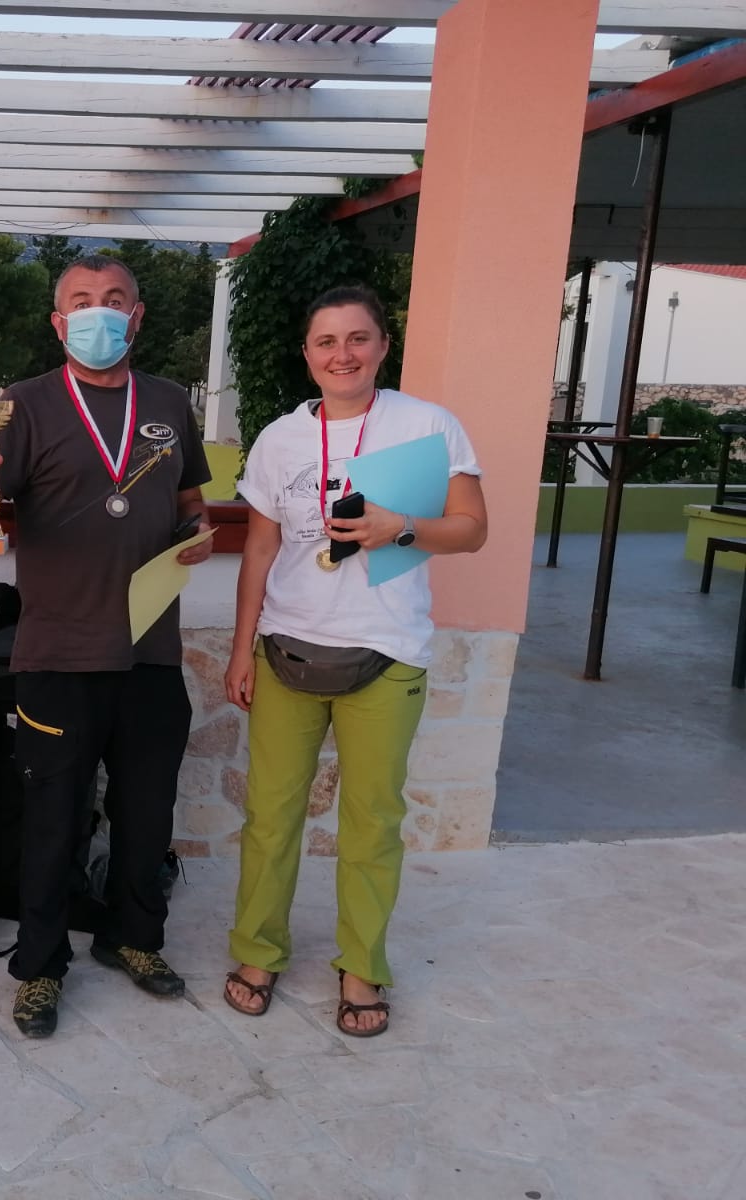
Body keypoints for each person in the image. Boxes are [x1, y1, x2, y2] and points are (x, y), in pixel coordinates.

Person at [0, 255, 215, 1039]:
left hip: (150, 649)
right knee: (52, 820)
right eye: (83, 301)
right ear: (59, 323)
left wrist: (198, 532)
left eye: (115, 299)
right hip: (58, 653)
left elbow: (191, 502)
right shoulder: (23, 404)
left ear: (137, 316)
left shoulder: (169, 401)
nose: (101, 312)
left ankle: (133, 936)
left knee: (146, 813)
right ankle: (39, 966)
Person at [222, 285, 488, 1038]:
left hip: (388, 650)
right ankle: (258, 951)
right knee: (271, 818)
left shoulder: (427, 425)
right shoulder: (280, 439)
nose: (343, 354)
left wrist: (400, 526)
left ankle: (362, 965)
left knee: (372, 823)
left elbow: (472, 529)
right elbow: (260, 551)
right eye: (326, 341)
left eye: (358, 338)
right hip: (287, 650)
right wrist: (241, 650)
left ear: (382, 345)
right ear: (307, 355)